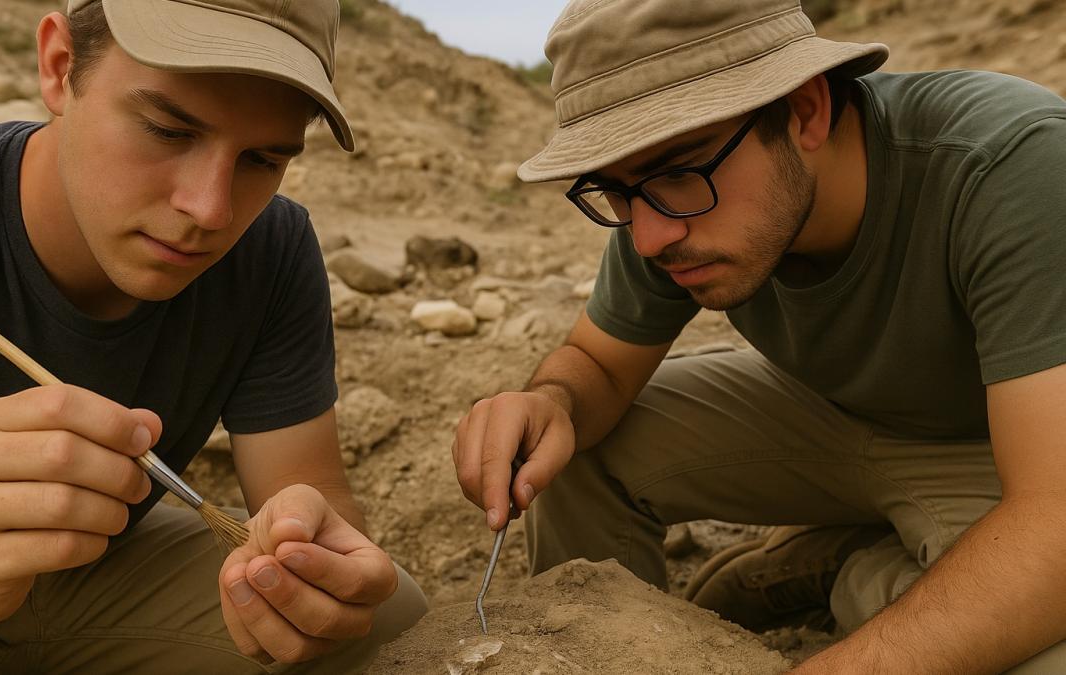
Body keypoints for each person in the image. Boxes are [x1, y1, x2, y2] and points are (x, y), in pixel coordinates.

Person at [451, 0, 1066, 672]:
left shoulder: (1008, 164)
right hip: (828, 415)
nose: (649, 237)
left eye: (679, 171)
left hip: (1008, 452)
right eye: (616, 192)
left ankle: (849, 570)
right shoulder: (661, 208)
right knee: (568, 450)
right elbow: (596, 363)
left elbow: (1053, 517)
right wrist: (553, 402)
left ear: (804, 112)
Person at [0, 0, 427, 672]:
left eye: (260, 159)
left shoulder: (270, 247)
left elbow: (312, 490)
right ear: (59, 66)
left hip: (97, 575)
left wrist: (311, 556)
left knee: (389, 618)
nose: (210, 210)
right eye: (168, 131)